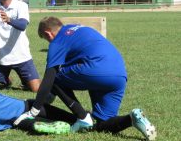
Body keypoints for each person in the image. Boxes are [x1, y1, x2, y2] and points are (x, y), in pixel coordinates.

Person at [14, 16, 157, 140]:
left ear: (48, 34)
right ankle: (132, 118)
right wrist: (49, 97)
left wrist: (33, 112)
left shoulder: (57, 41)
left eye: (46, 40)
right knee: (102, 124)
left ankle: (83, 118)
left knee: (55, 76)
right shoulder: (79, 28)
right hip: (119, 74)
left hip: (97, 69)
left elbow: (49, 79)